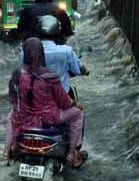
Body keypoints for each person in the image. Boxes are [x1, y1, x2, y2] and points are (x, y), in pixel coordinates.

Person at [5, 38, 85, 167]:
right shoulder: (50, 76)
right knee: (78, 113)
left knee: (11, 115)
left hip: (23, 117)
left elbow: (12, 98)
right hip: (50, 118)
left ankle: (8, 149)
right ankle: (72, 153)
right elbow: (64, 102)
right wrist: (75, 104)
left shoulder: (17, 74)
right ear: (41, 54)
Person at [18, 15, 88, 96]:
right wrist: (85, 71)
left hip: (37, 97)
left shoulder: (25, 52)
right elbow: (79, 70)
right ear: (57, 32)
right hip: (62, 95)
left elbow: (20, 76)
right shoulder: (67, 51)